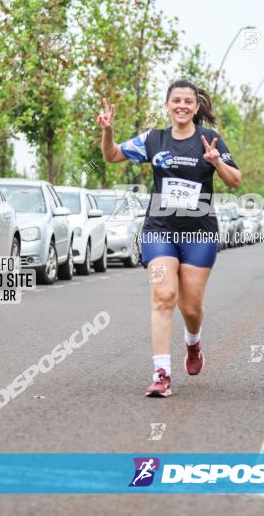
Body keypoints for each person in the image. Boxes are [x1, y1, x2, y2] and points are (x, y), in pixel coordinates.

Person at [99, 80, 241, 397]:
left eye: (188, 101)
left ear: (196, 107)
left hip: (199, 233)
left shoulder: (210, 139)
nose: (182, 105)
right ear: (167, 105)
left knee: (190, 308)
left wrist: (217, 162)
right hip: (159, 231)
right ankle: (161, 373)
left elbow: (235, 180)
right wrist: (108, 131)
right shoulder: (154, 139)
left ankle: (193, 343)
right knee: (163, 296)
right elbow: (112, 156)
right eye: (176, 100)